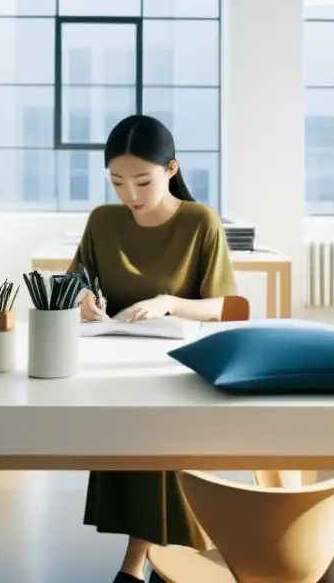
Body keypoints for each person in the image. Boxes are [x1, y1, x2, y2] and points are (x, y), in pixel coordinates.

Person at [67, 114, 237, 583]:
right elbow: (71, 283)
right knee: (141, 431)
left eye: (142, 181)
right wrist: (80, 298)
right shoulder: (103, 221)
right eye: (117, 182)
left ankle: (135, 562)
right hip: (110, 358)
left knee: (156, 428)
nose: (131, 195)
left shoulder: (201, 221)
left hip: (177, 362)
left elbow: (226, 306)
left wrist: (170, 303)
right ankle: (151, 559)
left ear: (172, 169)